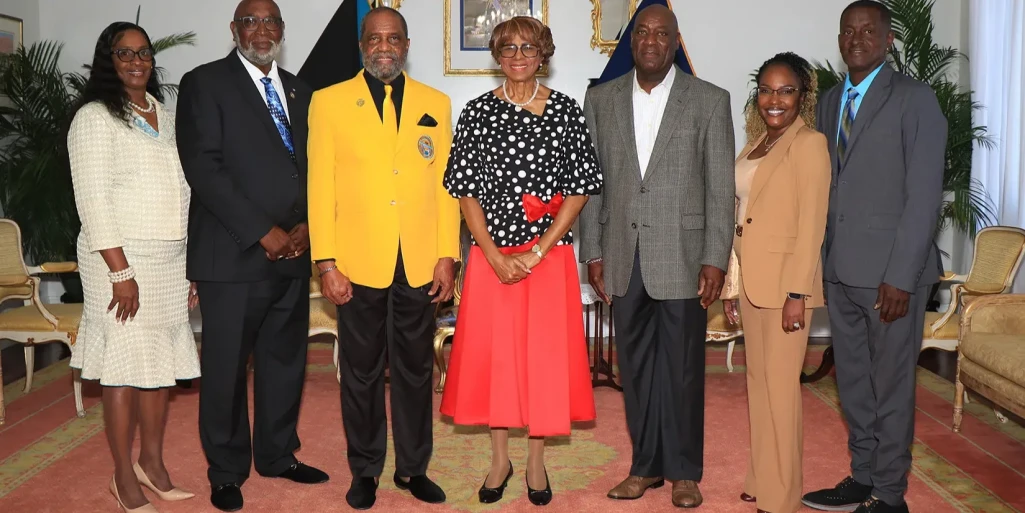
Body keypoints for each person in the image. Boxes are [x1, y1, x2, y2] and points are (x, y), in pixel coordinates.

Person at [439, 16, 602, 507]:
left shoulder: (566, 111)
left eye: (528, 47)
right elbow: (465, 191)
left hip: (547, 258)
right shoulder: (476, 113)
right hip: (491, 259)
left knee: (543, 362)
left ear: (543, 54)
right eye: (508, 47)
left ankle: (535, 461)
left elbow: (580, 189)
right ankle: (499, 460)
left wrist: (537, 251)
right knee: (497, 360)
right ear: (496, 54)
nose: (517, 55)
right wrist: (490, 254)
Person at [577, 4, 735, 508]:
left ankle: (685, 473)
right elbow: (591, 184)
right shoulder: (600, 99)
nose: (651, 41)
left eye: (661, 34)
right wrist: (593, 251)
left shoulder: (709, 100)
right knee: (637, 369)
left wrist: (715, 258)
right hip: (622, 256)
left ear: (674, 42)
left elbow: (720, 187)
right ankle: (645, 466)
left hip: (685, 257)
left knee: (684, 369)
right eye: (642, 32)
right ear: (632, 41)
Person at [175, 0, 328, 510]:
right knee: (225, 369)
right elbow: (204, 167)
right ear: (234, 29)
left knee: (284, 362)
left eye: (270, 22)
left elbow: (313, 166)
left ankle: (278, 455)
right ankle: (226, 470)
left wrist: (308, 226)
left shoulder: (301, 90)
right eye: (250, 21)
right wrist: (263, 231)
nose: (261, 30)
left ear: (282, 30)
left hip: (293, 253)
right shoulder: (204, 83)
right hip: (233, 255)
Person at [307, 6, 457, 510]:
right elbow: (319, 188)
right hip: (355, 265)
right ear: (361, 45)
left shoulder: (436, 103)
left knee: (415, 370)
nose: (384, 47)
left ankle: (413, 468)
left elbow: (446, 189)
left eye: (393, 38)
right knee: (362, 372)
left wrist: (447, 254)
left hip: (419, 263)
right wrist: (327, 264)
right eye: (375, 38)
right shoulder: (328, 102)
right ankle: (366, 469)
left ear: (407, 45)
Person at [800, 2, 947, 513]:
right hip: (841, 270)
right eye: (849, 31)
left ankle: (889, 493)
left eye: (869, 31)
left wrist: (901, 276)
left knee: (891, 387)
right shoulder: (830, 100)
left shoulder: (915, 99)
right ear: (840, 39)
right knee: (855, 383)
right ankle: (863, 476)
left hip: (891, 279)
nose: (857, 38)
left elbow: (924, 196)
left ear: (888, 41)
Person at [67, 21, 200, 513]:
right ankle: (123, 476)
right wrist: (121, 273)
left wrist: (190, 265)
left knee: (159, 367)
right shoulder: (94, 117)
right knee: (123, 369)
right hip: (118, 259)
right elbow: (93, 201)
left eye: (143, 53)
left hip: (168, 260)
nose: (137, 61)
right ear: (109, 60)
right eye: (124, 53)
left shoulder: (165, 114)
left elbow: (185, 192)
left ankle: (153, 465)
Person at [720, 52, 831, 513]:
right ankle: (760, 477)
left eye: (786, 90)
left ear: (803, 96)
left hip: (787, 289)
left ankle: (782, 495)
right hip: (751, 284)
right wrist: (731, 284)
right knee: (759, 385)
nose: (774, 99)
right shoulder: (756, 143)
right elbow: (741, 218)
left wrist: (797, 294)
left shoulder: (809, 144)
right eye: (766, 90)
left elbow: (811, 227)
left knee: (782, 392)